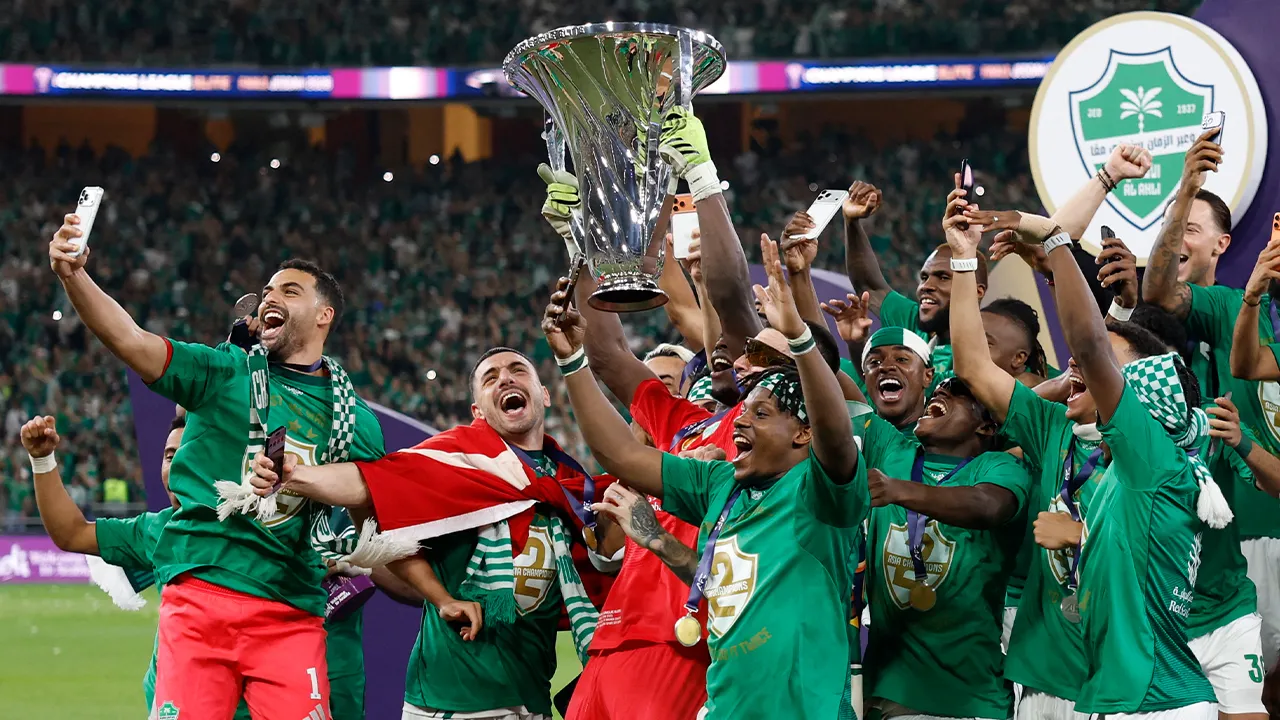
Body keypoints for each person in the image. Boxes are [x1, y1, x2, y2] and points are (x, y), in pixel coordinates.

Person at [48, 216, 387, 719]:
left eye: (289, 291)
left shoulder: (356, 422)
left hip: (291, 610)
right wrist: (73, 276)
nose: (270, 298)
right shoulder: (221, 372)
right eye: (267, 289)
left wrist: (351, 555)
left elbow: (374, 518)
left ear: (324, 316)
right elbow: (133, 341)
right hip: (202, 598)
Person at [545, 233, 865, 718]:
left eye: (759, 413)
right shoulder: (722, 481)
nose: (739, 417)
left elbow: (835, 435)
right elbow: (622, 456)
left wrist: (798, 334)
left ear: (803, 431)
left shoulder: (825, 489)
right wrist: (572, 361)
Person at [250, 344, 619, 720]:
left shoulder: (570, 489)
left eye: (518, 370)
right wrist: (294, 475)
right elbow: (371, 482)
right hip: (449, 703)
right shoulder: (455, 462)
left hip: (531, 699)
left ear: (544, 395)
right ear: (478, 412)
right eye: (490, 378)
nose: (505, 377)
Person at [966, 199, 1225, 717]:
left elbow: (1087, 342)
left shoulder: (1153, 460)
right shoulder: (1132, 473)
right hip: (1117, 694)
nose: (1085, 368)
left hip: (1152, 702)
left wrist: (1058, 241)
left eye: (1110, 365)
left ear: (1141, 397)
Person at [1143, 129, 1280, 681]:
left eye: (1191, 227)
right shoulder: (1226, 306)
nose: (1177, 238)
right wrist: (1186, 190)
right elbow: (1157, 293)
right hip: (1240, 537)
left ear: (1222, 243)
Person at [858, 373, 1032, 719]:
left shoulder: (1000, 467)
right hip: (887, 693)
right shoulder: (891, 447)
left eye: (957, 392)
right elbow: (832, 393)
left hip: (966, 701)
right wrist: (799, 334)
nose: (941, 391)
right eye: (939, 388)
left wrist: (898, 491)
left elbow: (988, 506)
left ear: (986, 426)